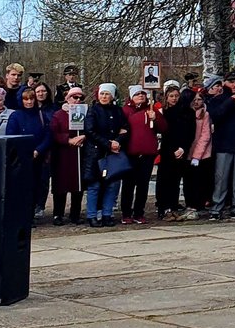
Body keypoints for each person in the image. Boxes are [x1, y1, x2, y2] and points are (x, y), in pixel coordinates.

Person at [4, 84, 53, 222]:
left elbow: (48, 135)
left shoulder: (41, 115)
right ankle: (20, 216)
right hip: (20, 158)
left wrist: (38, 150)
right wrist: (24, 152)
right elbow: (11, 136)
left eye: (31, 99)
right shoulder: (16, 115)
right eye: (26, 99)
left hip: (38, 157)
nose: (29, 102)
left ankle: (30, 215)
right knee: (21, 189)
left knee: (36, 186)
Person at [83, 82, 129, 227]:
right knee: (94, 186)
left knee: (112, 185)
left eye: (107, 94)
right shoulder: (93, 111)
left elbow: (125, 128)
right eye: (102, 94)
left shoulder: (118, 111)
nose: (104, 96)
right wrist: (108, 143)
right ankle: (91, 215)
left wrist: (117, 141)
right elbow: (90, 131)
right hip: (96, 153)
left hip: (113, 154)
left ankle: (107, 214)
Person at [205, 76, 235, 220]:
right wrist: (231, 101)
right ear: (225, 83)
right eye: (232, 82)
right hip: (223, 145)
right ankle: (217, 207)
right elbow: (216, 115)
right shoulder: (218, 99)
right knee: (221, 179)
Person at [121, 83, 163, 224]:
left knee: (143, 184)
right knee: (128, 184)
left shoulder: (151, 110)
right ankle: (126, 212)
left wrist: (155, 119)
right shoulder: (125, 111)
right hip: (130, 153)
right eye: (137, 94)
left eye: (143, 94)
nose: (140, 96)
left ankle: (139, 212)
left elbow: (164, 128)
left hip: (147, 153)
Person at [48, 85, 89, 225]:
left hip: (79, 153)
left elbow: (91, 129)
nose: (77, 100)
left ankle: (75, 214)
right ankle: (58, 214)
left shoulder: (85, 113)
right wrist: (68, 139)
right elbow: (54, 133)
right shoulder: (59, 115)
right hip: (63, 154)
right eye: (74, 97)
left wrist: (83, 136)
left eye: (80, 98)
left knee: (78, 184)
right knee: (61, 184)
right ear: (68, 98)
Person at [156, 81, 192, 221]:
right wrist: (172, 150)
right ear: (166, 97)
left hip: (181, 150)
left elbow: (190, 132)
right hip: (167, 150)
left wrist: (183, 148)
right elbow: (163, 132)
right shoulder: (163, 112)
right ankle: (164, 208)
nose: (174, 98)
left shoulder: (186, 112)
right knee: (164, 180)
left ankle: (173, 206)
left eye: (176, 95)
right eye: (171, 96)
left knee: (175, 181)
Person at [184, 85, 215, 218]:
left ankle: (199, 204)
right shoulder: (186, 113)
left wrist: (197, 155)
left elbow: (205, 136)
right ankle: (189, 204)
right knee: (188, 181)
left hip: (202, 154)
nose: (197, 102)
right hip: (187, 152)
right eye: (194, 100)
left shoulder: (205, 114)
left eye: (199, 100)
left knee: (200, 180)